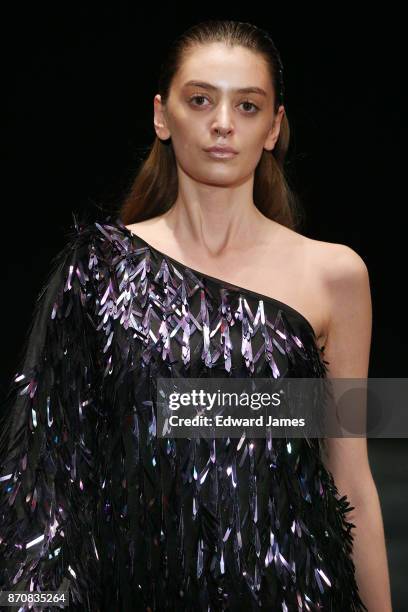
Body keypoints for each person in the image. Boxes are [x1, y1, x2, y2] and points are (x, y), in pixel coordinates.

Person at [0, 19, 392, 612]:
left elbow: (351, 477)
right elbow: (45, 479)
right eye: (201, 99)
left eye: (249, 105)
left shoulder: (334, 276)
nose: (223, 123)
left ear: (273, 128)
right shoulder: (98, 271)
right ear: (162, 115)